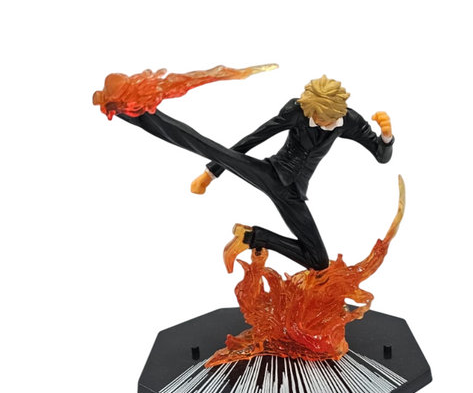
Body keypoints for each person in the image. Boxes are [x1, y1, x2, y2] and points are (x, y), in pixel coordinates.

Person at [118, 75, 394, 272]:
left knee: (319, 261)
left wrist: (386, 136)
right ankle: (129, 111)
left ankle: (252, 237)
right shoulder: (297, 111)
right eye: (318, 119)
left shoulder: (349, 121)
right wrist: (210, 175)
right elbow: (255, 137)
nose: (323, 123)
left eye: (328, 120)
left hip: (294, 194)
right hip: (271, 172)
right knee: (212, 148)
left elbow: (381, 157)